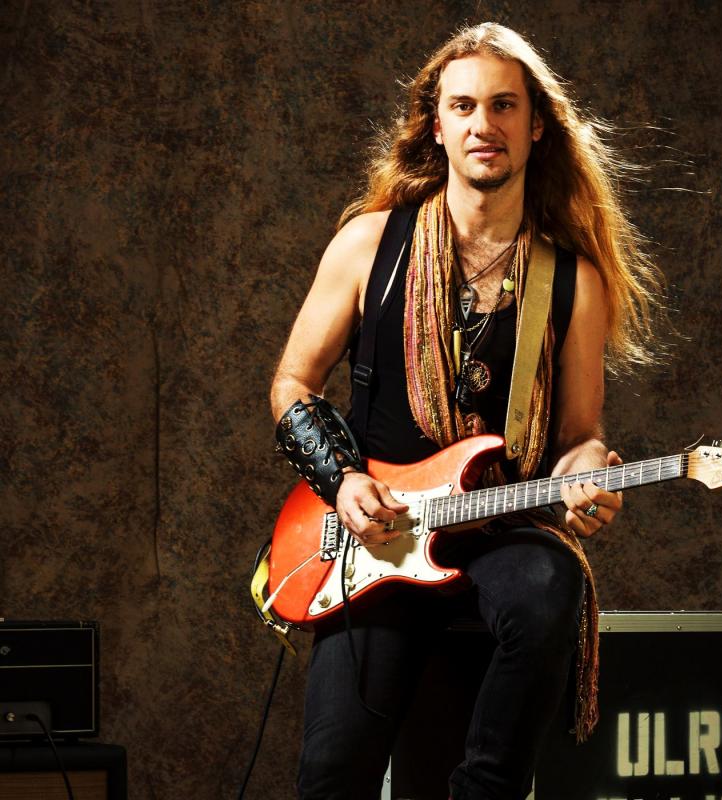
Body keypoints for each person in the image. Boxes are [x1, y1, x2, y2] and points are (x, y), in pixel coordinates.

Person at [270, 22, 662, 800]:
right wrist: (343, 482)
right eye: (464, 106)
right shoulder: (370, 246)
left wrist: (589, 472)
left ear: (537, 124)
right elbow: (293, 384)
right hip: (380, 538)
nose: (485, 124)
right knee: (332, 775)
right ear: (437, 125)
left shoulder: (571, 281)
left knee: (549, 585)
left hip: (501, 528)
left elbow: (581, 436)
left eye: (504, 105)